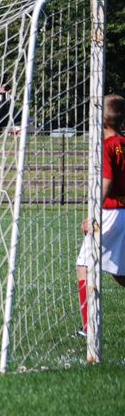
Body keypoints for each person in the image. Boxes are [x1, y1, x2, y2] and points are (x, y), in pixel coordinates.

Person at [75, 94, 125, 336]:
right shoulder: (123, 142)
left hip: (110, 213)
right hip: (123, 213)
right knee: (119, 272)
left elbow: (108, 180)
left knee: (84, 265)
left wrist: (93, 214)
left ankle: (89, 328)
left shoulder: (106, 146)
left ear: (101, 120)